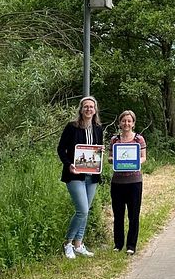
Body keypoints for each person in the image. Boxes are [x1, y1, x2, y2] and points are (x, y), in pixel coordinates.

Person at [57, 96, 104, 260]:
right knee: (82, 210)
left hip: (92, 176)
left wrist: (101, 151)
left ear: (95, 109)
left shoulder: (98, 128)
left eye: (91, 106)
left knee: (86, 211)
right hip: (74, 174)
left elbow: (97, 150)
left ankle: (79, 244)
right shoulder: (72, 127)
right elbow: (61, 149)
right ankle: (68, 243)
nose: (89, 109)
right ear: (81, 109)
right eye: (86, 106)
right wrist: (69, 164)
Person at [108, 110, 147, 255]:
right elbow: (110, 157)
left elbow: (144, 158)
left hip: (134, 181)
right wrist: (114, 160)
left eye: (129, 121)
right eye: (124, 120)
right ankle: (118, 244)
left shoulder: (139, 139)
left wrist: (135, 161)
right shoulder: (114, 140)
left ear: (133, 123)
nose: (126, 123)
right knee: (118, 215)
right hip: (117, 182)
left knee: (133, 214)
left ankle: (131, 245)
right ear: (120, 123)